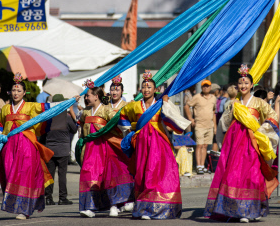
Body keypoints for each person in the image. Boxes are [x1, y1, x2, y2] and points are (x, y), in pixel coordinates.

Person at [205, 64, 279, 222]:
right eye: (240, 83)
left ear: (252, 85)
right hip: (235, 142)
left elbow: (273, 116)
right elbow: (225, 123)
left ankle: (249, 210)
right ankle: (234, 209)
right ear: (237, 85)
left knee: (251, 175)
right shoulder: (233, 103)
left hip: (251, 142)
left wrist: (262, 130)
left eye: (246, 83)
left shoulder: (259, 102)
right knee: (233, 175)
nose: (243, 85)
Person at [118, 71, 188, 219]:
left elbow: (172, 121)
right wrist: (129, 130)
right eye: (144, 87)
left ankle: (161, 208)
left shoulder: (160, 104)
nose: (146, 89)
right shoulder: (135, 106)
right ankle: (144, 209)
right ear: (140, 89)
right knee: (143, 174)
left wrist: (167, 103)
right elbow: (122, 115)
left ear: (155, 89)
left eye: (149, 87)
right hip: (142, 144)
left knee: (159, 173)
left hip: (159, 143)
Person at [0, 73, 55, 220]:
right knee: (9, 175)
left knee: (25, 176)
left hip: (27, 147)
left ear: (24, 93)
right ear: (10, 92)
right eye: (13, 90)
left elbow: (48, 107)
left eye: (19, 90)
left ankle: (25, 210)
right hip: (9, 148)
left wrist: (69, 102)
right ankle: (17, 205)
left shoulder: (31, 106)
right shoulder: (5, 108)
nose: (16, 93)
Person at [78, 81, 134, 218]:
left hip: (107, 147)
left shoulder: (108, 110)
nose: (86, 98)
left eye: (88, 95)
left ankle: (117, 203)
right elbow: (81, 127)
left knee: (111, 175)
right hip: (90, 149)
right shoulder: (86, 112)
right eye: (112, 90)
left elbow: (119, 123)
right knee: (89, 176)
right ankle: (89, 206)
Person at [44, 94, 77, 206]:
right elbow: (74, 129)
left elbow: (43, 132)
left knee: (50, 175)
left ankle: (48, 198)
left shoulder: (48, 117)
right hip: (63, 149)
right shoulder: (66, 117)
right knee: (62, 175)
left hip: (50, 149)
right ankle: (62, 198)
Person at [185, 79, 217, 175]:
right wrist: (191, 118)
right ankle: (198, 165)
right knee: (199, 145)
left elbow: (213, 112)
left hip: (209, 125)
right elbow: (186, 106)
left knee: (205, 145)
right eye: (204, 86)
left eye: (207, 86)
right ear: (202, 87)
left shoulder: (213, 98)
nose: (205, 87)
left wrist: (214, 126)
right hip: (199, 125)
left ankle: (202, 165)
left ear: (210, 87)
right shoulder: (197, 97)